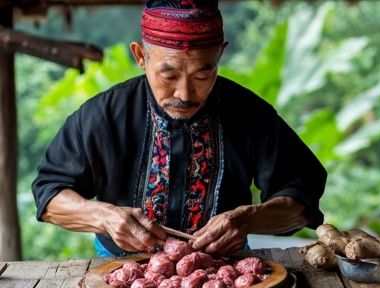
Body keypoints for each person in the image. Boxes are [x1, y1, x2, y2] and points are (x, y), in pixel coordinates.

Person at [31, 0, 327, 257]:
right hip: (121, 268)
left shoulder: (251, 114)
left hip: (227, 268)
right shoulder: (103, 116)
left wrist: (247, 219)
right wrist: (104, 216)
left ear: (219, 56)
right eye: (169, 75)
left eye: (203, 73)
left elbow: (302, 201)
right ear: (140, 57)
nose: (185, 94)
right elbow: (49, 194)